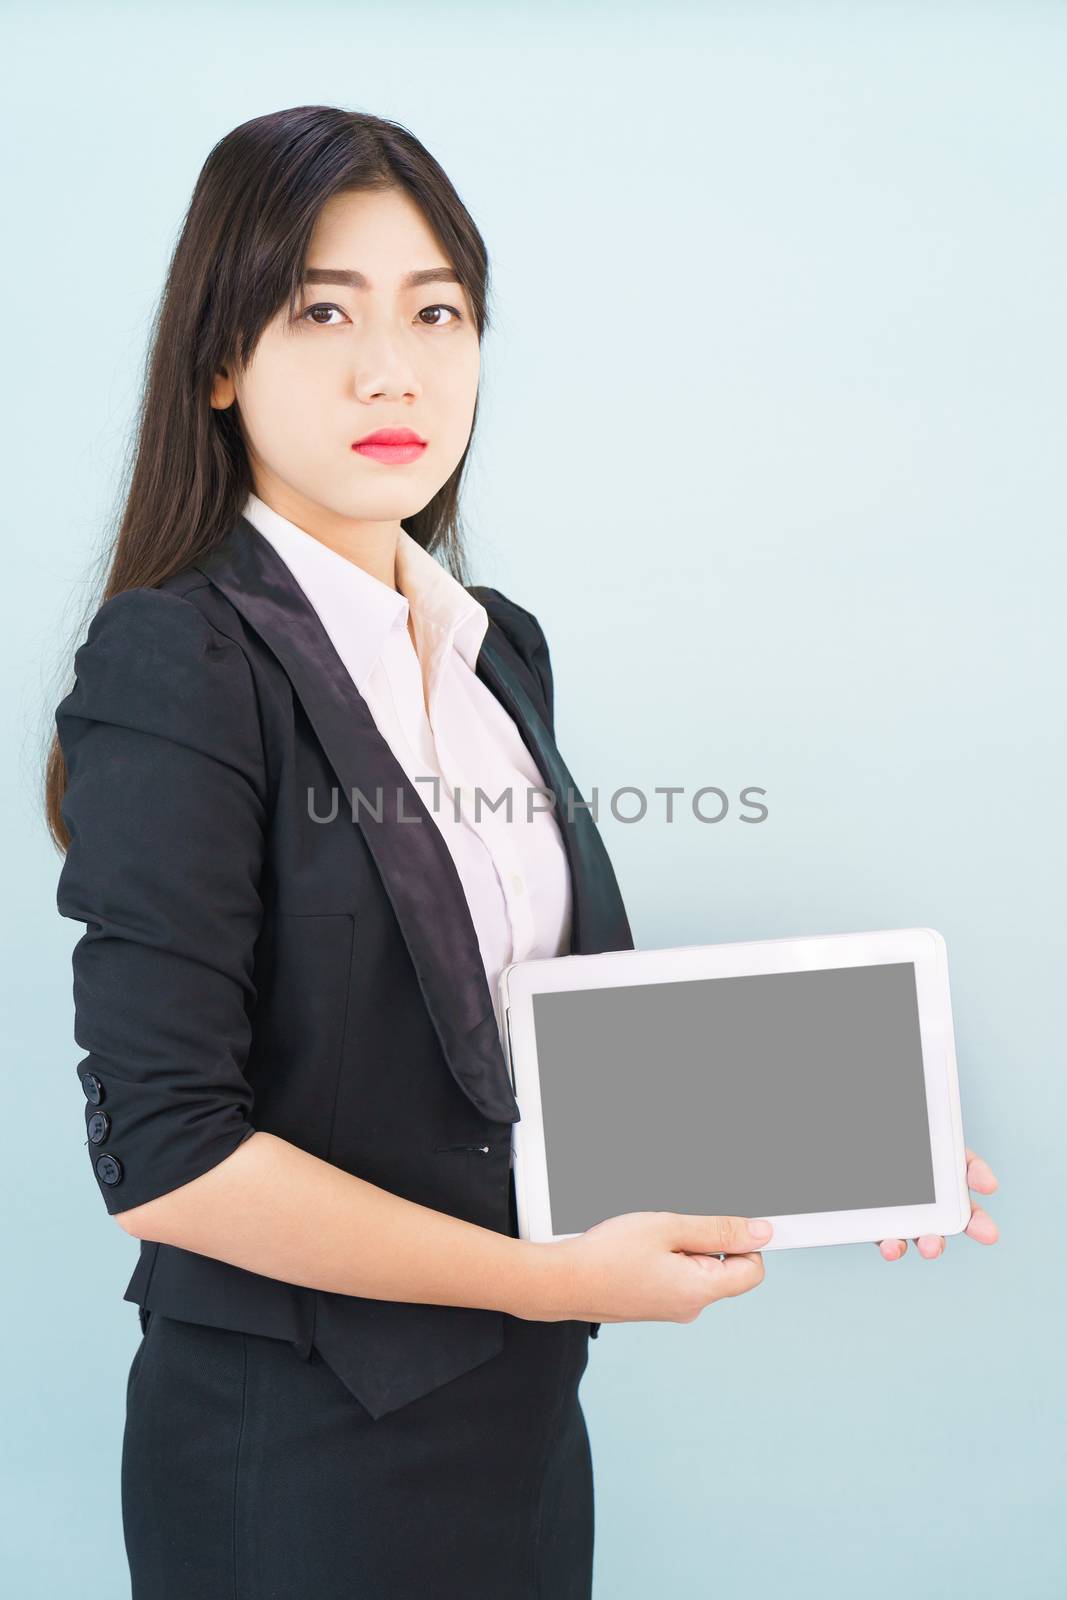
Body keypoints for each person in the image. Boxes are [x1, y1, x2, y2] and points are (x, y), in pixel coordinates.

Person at [44, 106, 999, 1599]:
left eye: (438, 312)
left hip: (525, 1439)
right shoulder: (179, 660)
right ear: (221, 364)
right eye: (322, 312)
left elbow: (528, 1046)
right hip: (291, 1462)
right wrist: (550, 1282)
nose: (393, 367)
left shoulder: (499, 654)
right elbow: (171, 1160)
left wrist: (850, 1139)